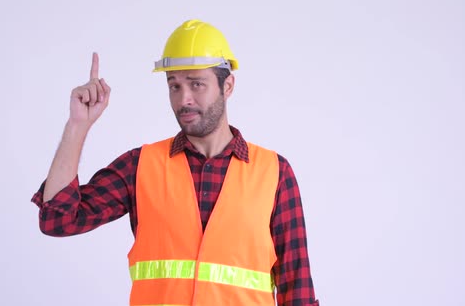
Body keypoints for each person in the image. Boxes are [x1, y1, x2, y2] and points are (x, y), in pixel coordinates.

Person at [31, 19, 319, 306]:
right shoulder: (140, 166)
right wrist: (77, 126)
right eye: (174, 86)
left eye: (197, 84)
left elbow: (297, 286)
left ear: (227, 85)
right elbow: (57, 220)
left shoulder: (274, 173)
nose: (184, 99)